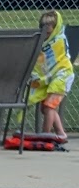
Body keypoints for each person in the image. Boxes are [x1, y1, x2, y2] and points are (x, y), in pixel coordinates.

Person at [31, 11, 73, 145]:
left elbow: (56, 58)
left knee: (48, 107)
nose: (46, 30)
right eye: (43, 26)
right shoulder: (44, 43)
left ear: (56, 27)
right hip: (53, 78)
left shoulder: (58, 40)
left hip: (62, 76)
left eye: (50, 26)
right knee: (45, 109)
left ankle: (45, 135)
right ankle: (61, 134)